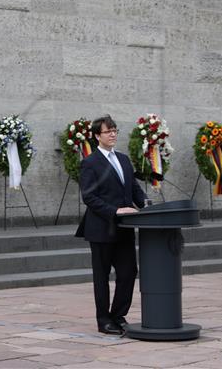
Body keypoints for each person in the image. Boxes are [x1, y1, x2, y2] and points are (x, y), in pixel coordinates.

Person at [76, 114, 146, 335]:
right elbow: (89, 197)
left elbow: (133, 188)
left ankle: (119, 314)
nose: (113, 134)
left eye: (115, 130)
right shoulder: (89, 163)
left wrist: (148, 206)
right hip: (101, 228)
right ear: (98, 136)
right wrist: (115, 211)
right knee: (102, 276)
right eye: (108, 131)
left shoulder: (124, 159)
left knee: (128, 272)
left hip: (124, 228)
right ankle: (103, 319)